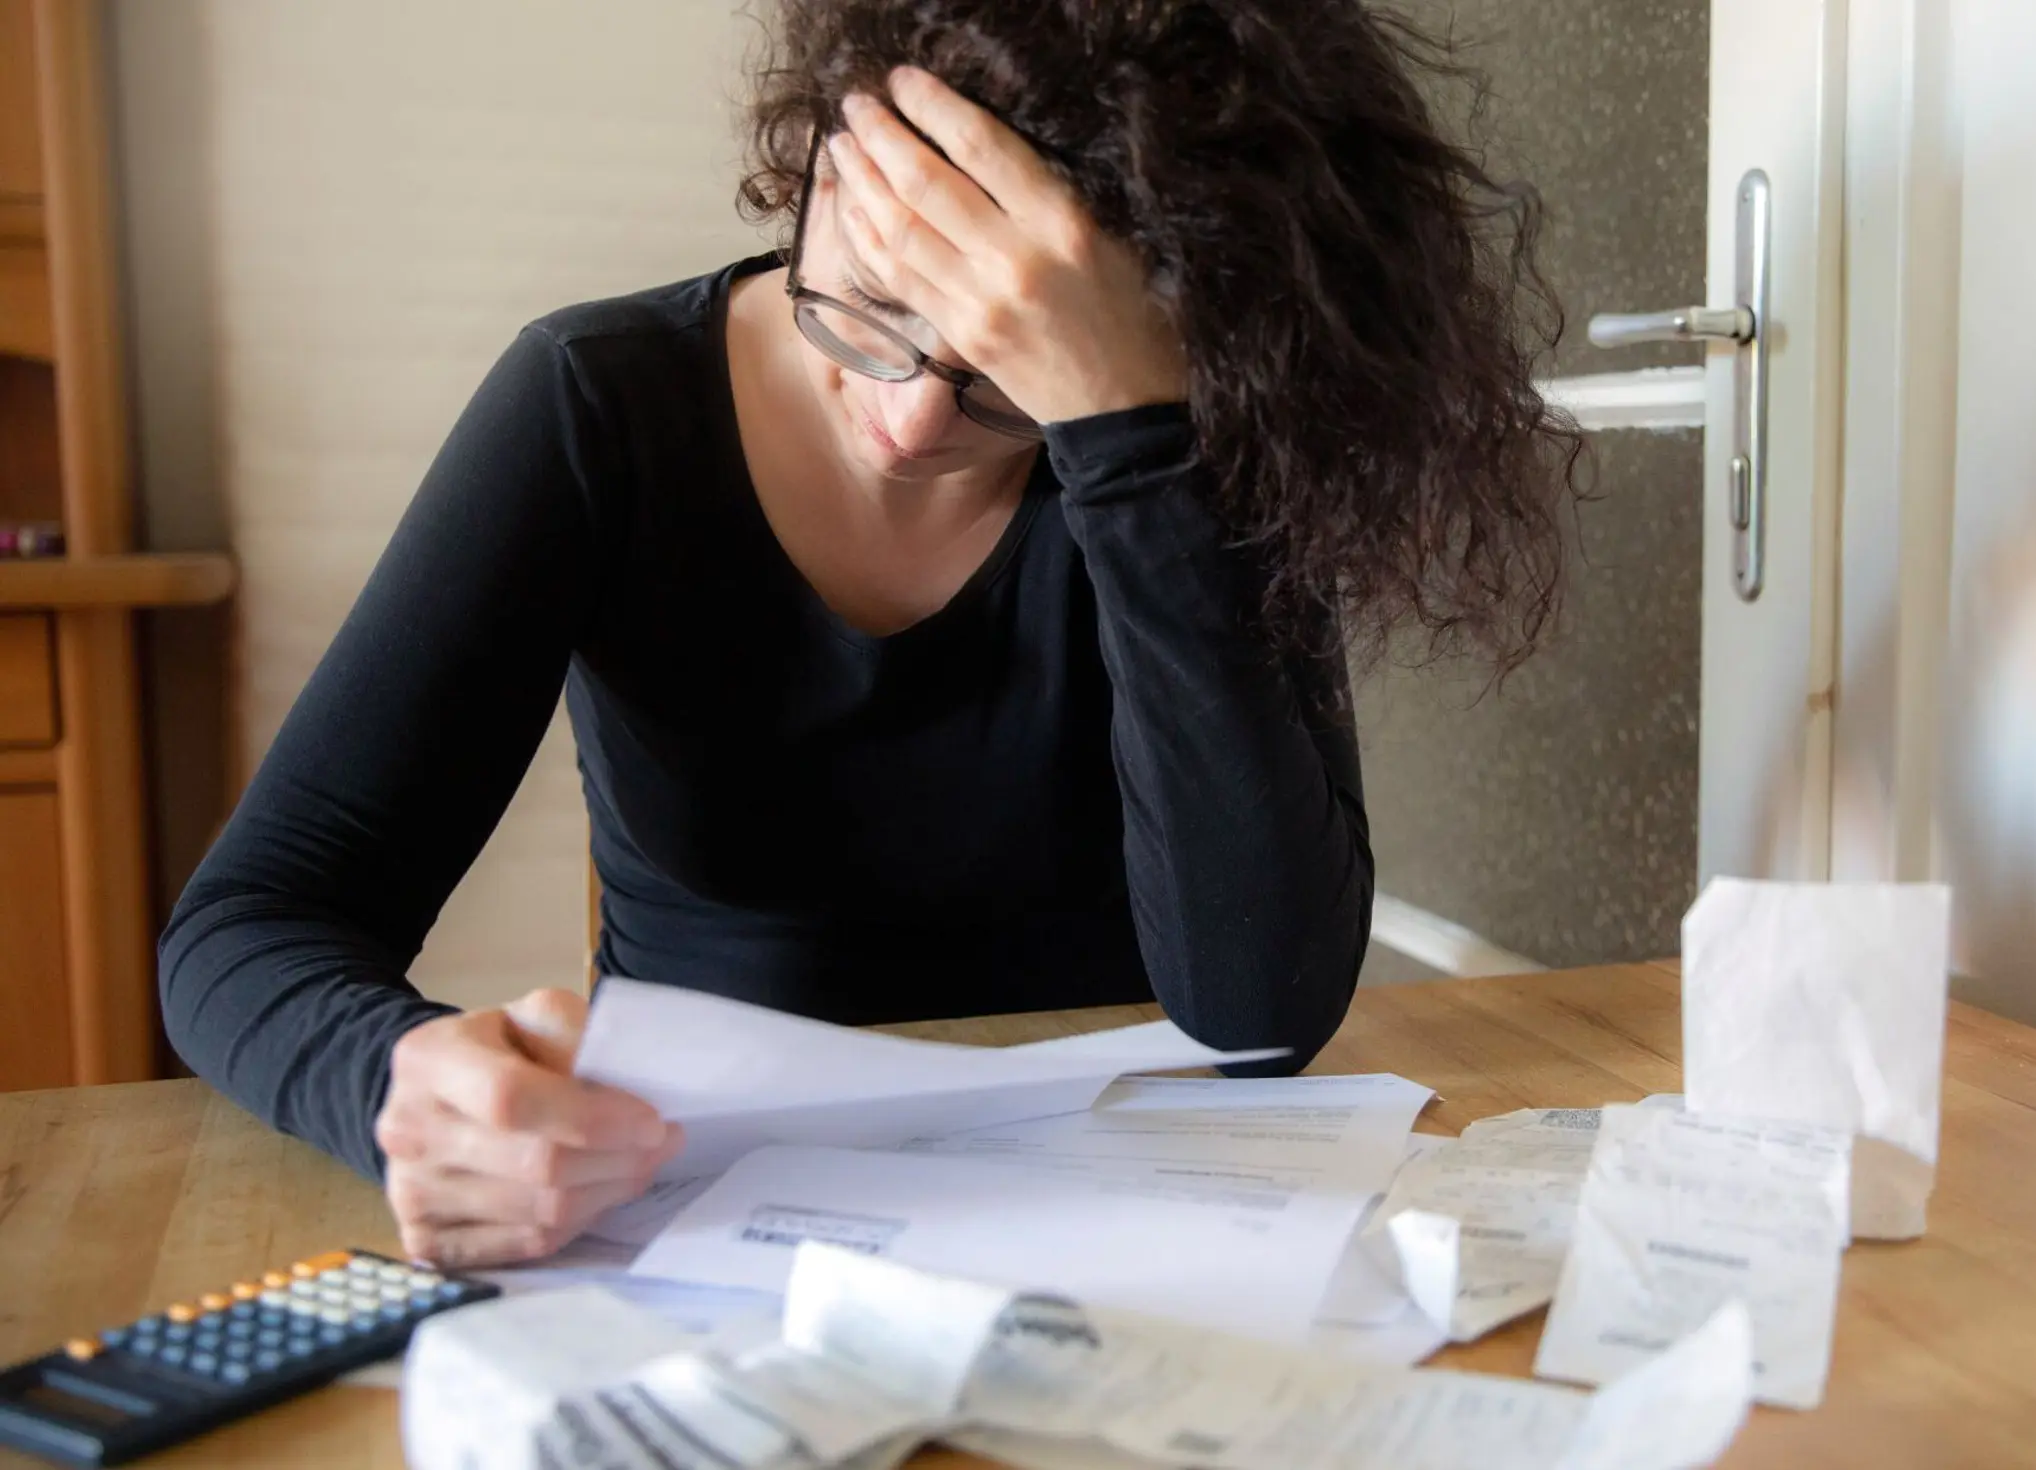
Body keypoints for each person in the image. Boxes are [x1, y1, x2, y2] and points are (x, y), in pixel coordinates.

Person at [159, 0, 1581, 1267]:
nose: (907, 423)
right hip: (690, 1234)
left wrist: (1127, 442)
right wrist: (396, 1079)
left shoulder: (1185, 448)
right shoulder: (597, 407)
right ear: (821, 162)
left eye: (1004, 371)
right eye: (871, 309)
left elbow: (1259, 1010)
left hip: (1128, 1235)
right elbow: (248, 924)